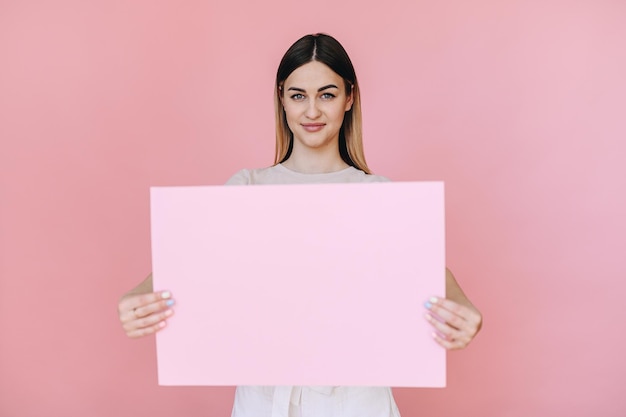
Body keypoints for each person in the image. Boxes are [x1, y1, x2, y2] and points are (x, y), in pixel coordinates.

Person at [118, 33, 482, 417]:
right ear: (281, 98)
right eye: (298, 95)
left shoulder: (378, 194)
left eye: (326, 94)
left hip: (357, 401)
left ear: (349, 98)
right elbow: (191, 263)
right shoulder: (248, 186)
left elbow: (426, 271)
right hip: (263, 400)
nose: (312, 111)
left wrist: (462, 309)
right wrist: (138, 297)